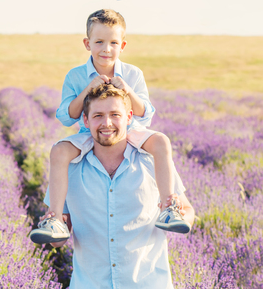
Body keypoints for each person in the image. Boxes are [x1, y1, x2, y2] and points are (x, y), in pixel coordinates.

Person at [30, 9, 189, 244]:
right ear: (87, 43)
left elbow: (146, 113)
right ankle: (56, 218)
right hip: (89, 132)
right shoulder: (75, 76)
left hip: (128, 129)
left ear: (122, 45)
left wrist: (128, 90)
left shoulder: (133, 73)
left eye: (113, 42)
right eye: (99, 42)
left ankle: (168, 207)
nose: (106, 49)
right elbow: (66, 116)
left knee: (161, 142)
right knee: (59, 151)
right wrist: (87, 90)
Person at [41, 84, 195, 288]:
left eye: (115, 114)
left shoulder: (152, 163)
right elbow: (58, 240)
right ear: (86, 120)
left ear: (129, 117)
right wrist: (53, 225)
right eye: (98, 116)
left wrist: (179, 215)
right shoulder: (69, 169)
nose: (107, 123)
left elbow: (187, 210)